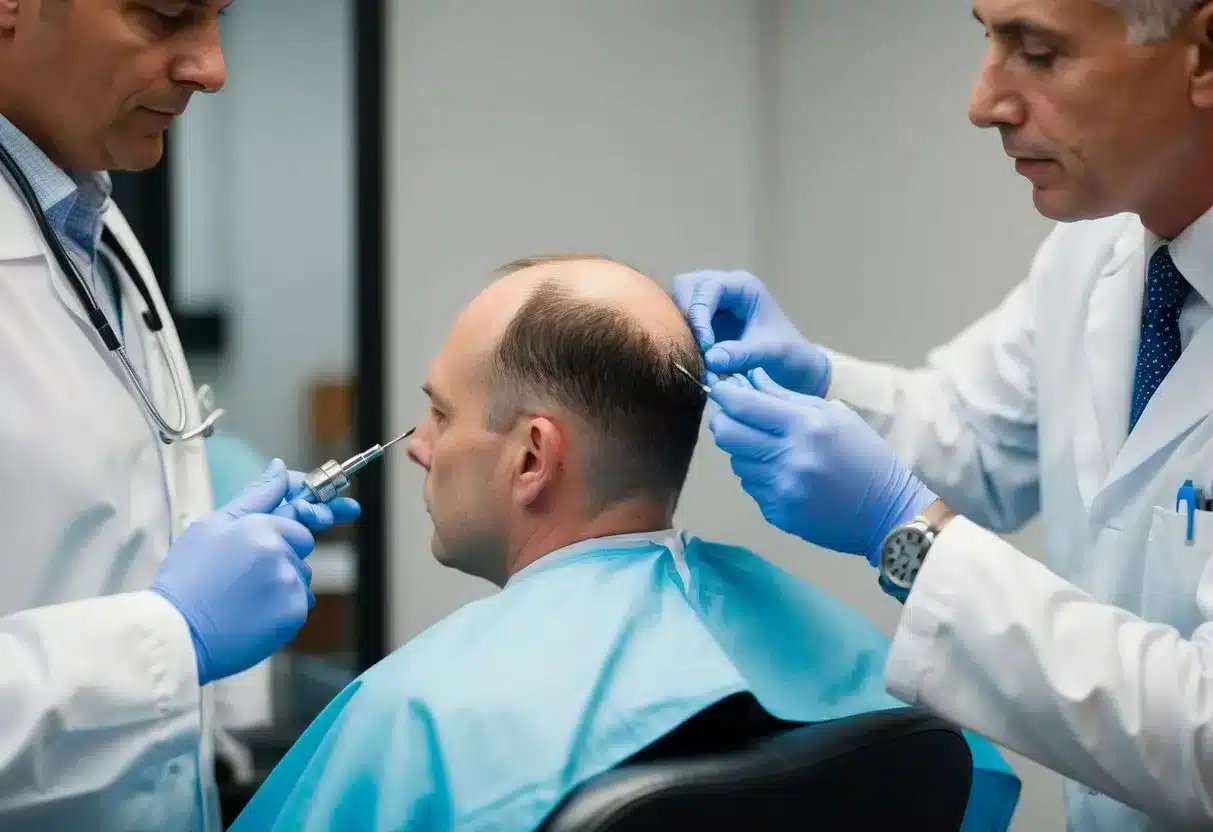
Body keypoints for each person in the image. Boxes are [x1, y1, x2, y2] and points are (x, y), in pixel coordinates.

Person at [227, 255, 1023, 831]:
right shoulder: (867, 672)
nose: (417, 447)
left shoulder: (417, 717)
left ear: (533, 456)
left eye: (439, 414)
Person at [673, 0, 1213, 828]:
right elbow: (973, 434)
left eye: (1035, 51)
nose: (982, 101)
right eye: (987, 39)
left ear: (1203, 53)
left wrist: (906, 536)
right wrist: (818, 381)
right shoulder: (1094, 252)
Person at [0, 2, 359, 830]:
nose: (211, 67)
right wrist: (170, 634)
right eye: (166, 15)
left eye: (220, 18)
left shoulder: (91, 220)